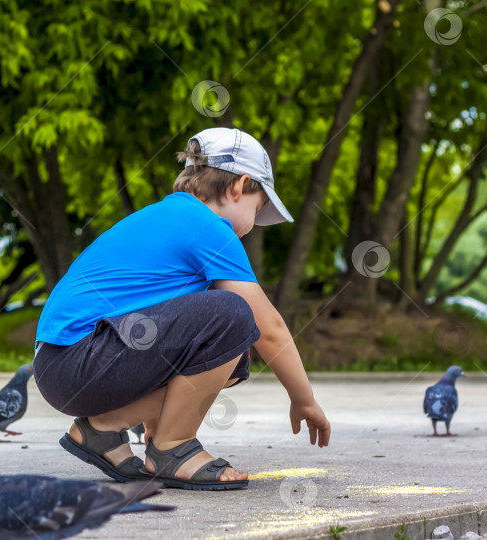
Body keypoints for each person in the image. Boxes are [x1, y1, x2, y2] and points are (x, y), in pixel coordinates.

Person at [33, 127, 331, 491]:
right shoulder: (207, 227)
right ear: (239, 186)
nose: (252, 227)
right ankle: (174, 449)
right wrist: (305, 400)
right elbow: (268, 326)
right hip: (81, 360)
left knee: (231, 356)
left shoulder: (167, 217)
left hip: (62, 365)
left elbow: (166, 329)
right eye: (258, 210)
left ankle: (103, 429)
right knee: (233, 315)